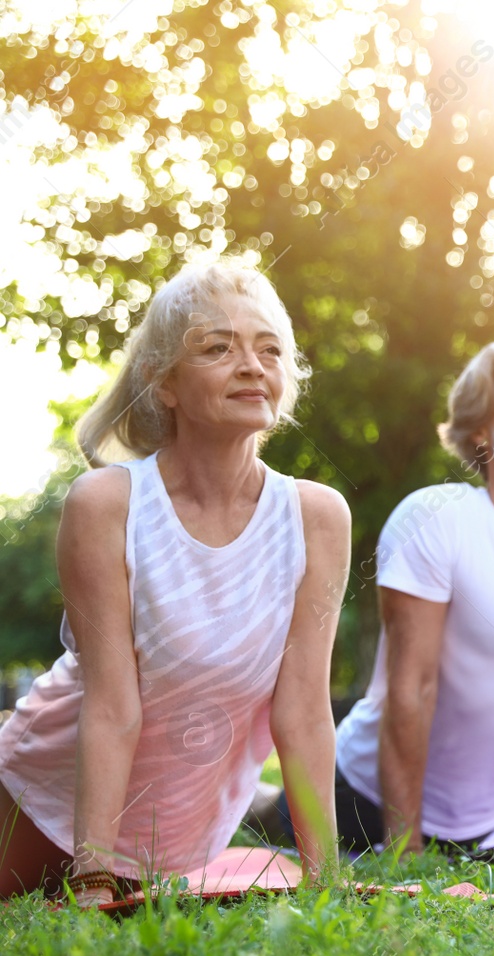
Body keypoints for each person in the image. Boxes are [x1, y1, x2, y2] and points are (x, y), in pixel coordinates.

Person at [0, 261, 349, 906]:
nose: (251, 364)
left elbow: (301, 709)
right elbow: (111, 702)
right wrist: (94, 871)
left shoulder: (317, 517)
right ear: (164, 385)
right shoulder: (107, 504)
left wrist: (325, 879)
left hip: (174, 830)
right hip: (41, 787)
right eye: (218, 347)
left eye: (268, 348)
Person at [253, 337, 494, 853]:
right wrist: (406, 847)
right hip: (360, 796)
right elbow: (411, 686)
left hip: (484, 822)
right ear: (481, 433)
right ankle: (245, 797)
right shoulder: (437, 517)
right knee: (261, 815)